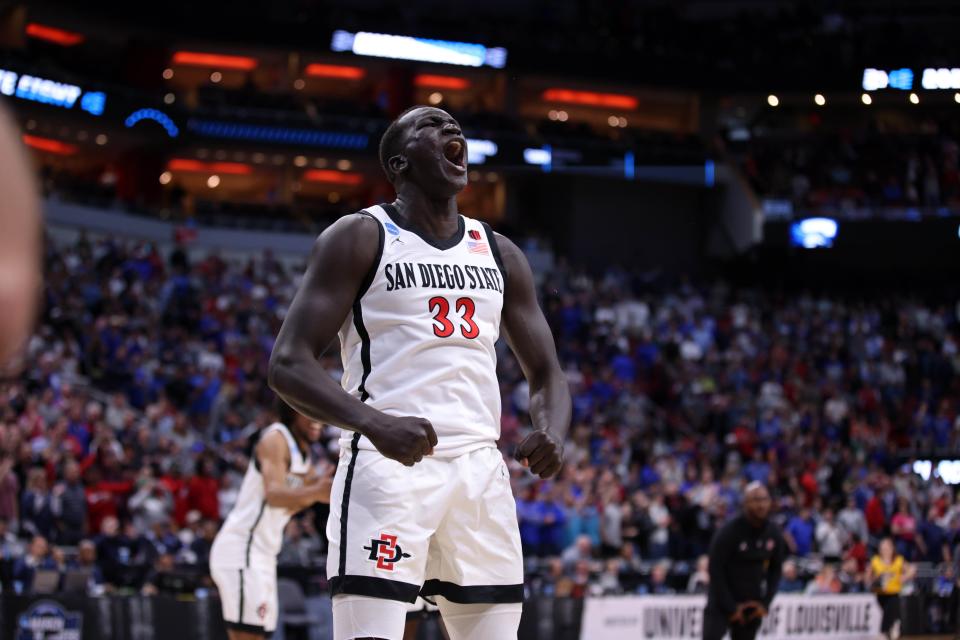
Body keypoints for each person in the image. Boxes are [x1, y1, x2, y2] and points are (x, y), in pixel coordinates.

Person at [269, 105, 571, 640]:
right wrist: (375, 423)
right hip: (388, 469)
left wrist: (552, 431)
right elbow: (288, 364)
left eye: (454, 124)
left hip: (480, 473)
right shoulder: (360, 236)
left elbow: (546, 372)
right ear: (399, 163)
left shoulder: (500, 253)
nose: (451, 129)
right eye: (431, 124)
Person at [209, 400, 332, 640]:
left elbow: (293, 502)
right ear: (292, 410)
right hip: (242, 549)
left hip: (264, 555)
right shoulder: (276, 438)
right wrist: (315, 491)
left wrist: (314, 488)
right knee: (249, 636)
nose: (317, 421)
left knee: (262, 634)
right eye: (310, 413)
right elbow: (275, 495)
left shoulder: (303, 455)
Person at [703, 482, 786, 640]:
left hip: (751, 603)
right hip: (722, 599)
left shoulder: (773, 532)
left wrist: (765, 602)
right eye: (755, 500)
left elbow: (776, 570)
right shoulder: (729, 531)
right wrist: (731, 607)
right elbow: (715, 569)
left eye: (764, 499)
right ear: (745, 503)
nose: (761, 505)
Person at [866, 537, 916, 640]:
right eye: (883, 546)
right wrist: (873, 580)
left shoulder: (898, 560)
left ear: (892, 548)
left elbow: (912, 569)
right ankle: (894, 624)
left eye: (887, 546)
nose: (885, 549)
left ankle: (883, 632)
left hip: (894, 592)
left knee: (890, 608)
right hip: (880, 593)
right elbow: (868, 576)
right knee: (887, 612)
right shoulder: (875, 560)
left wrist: (904, 577)